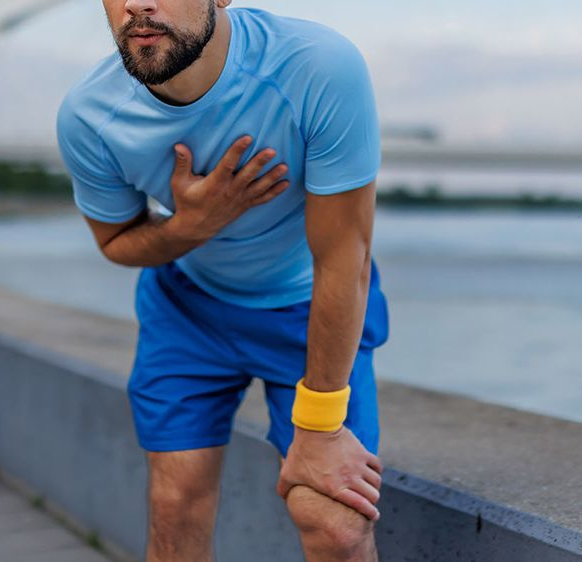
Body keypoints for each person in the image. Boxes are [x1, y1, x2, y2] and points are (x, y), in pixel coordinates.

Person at [56, 1, 390, 560]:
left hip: (308, 307)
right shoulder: (88, 116)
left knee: (333, 522)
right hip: (188, 309)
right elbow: (116, 243)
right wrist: (191, 226)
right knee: (175, 503)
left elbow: (344, 259)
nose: (137, 3)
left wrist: (320, 427)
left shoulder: (317, 66)